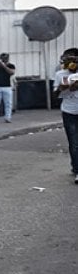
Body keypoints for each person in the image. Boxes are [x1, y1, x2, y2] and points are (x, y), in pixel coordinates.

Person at [52, 47, 78, 184]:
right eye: (67, 59)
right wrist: (62, 88)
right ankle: (76, 168)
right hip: (69, 112)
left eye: (73, 59)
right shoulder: (60, 74)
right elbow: (54, 95)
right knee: (74, 143)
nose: (70, 63)